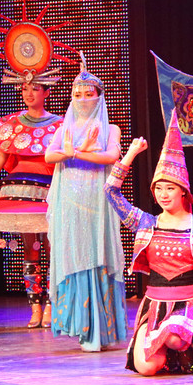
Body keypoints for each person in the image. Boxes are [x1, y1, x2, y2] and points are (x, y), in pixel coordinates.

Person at [104, 111, 193, 375]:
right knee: (147, 369)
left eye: (170, 188)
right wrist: (131, 154)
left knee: (176, 336)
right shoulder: (145, 223)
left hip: (190, 304)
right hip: (154, 304)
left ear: (183, 192)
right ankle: (162, 350)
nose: (163, 194)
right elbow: (111, 191)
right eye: (158, 188)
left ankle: (177, 347)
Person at [0, 73, 61, 329]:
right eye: (25, 89)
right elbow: (0, 158)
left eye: (35, 89)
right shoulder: (12, 124)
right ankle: (35, 308)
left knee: (52, 249)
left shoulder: (60, 125)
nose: (29, 94)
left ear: (46, 92)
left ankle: (52, 306)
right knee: (30, 250)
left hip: (49, 189)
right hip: (20, 190)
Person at [44, 59, 127, 351]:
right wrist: (67, 152)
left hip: (97, 202)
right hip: (70, 202)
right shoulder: (64, 128)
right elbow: (49, 156)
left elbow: (111, 156)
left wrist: (76, 153)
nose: (82, 99)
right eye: (77, 94)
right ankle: (83, 328)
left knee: (98, 255)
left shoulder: (110, 129)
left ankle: (100, 331)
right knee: (75, 256)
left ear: (99, 97)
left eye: (88, 94)